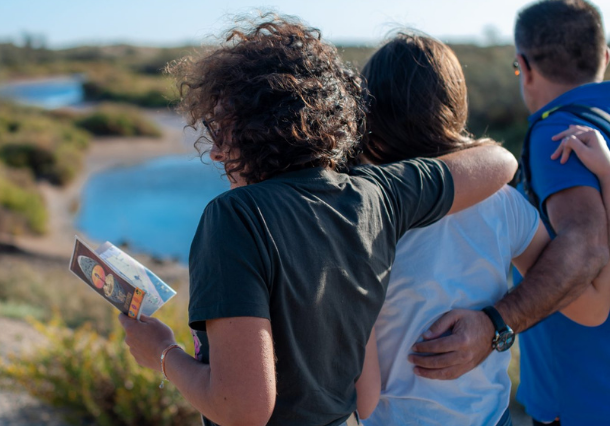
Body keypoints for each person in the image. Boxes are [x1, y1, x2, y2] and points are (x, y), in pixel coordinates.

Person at [116, 14, 517, 426]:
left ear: (258, 128)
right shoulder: (377, 194)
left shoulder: (235, 217)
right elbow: (500, 161)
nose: (216, 152)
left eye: (221, 130)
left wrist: (162, 353)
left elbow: (242, 408)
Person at [353, 32, 610, 426]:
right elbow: (593, 306)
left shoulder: (358, 214)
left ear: (370, 113)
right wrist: (607, 179)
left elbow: (362, 401)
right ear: (455, 106)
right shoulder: (501, 204)